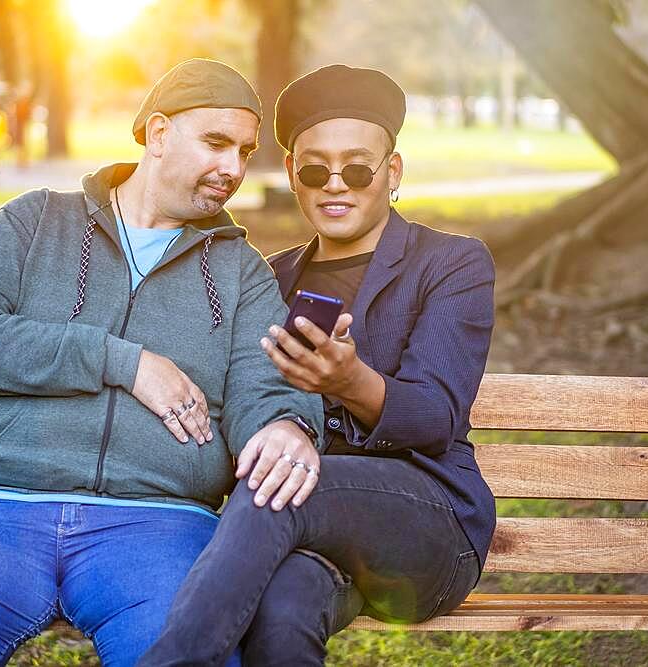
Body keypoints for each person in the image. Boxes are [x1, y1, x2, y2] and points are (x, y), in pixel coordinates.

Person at [0, 59, 324, 667]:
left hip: (159, 523)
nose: (233, 168)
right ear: (158, 133)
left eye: (245, 151)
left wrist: (285, 423)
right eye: (216, 143)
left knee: (195, 657)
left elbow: (267, 384)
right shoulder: (34, 221)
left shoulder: (240, 271)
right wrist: (123, 361)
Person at [140, 64, 497, 666]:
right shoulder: (266, 279)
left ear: (393, 173)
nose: (336, 184)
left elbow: (437, 417)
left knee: (279, 481)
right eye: (314, 168)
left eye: (358, 168)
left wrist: (350, 382)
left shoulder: (450, 265)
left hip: (427, 528)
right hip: (310, 544)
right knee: (282, 612)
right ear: (292, 176)